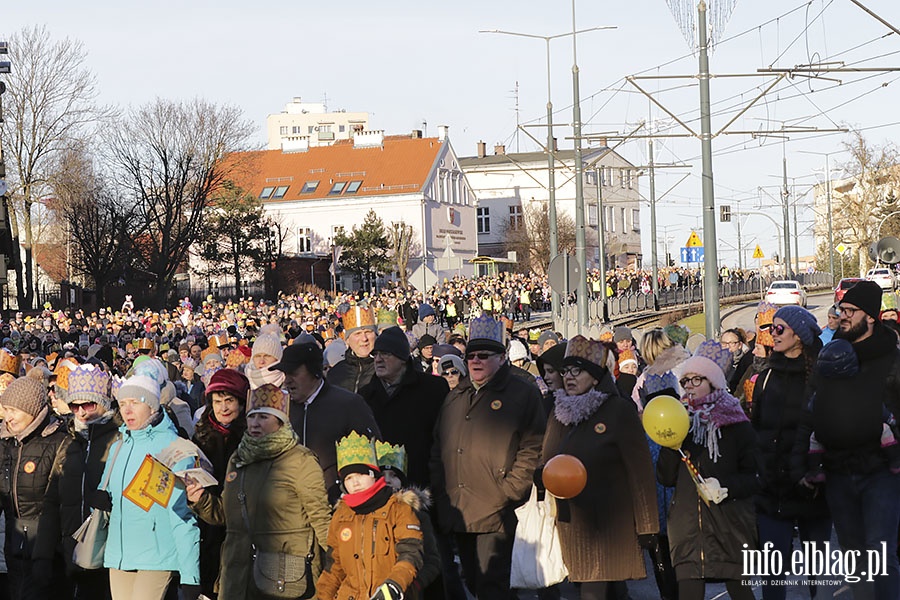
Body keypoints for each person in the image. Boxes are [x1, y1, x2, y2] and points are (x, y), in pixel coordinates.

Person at [430, 314, 546, 600]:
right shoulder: (456, 396)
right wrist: (441, 492)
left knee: (493, 587)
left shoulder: (522, 393)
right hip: (459, 508)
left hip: (497, 509)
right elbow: (437, 447)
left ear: (502, 357)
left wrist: (510, 489)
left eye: (484, 355)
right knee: (473, 581)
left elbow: (534, 446)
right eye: (470, 356)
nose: (475, 361)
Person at [187, 383, 333, 600]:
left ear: (280, 421)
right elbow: (228, 516)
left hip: (285, 575)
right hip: (237, 575)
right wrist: (201, 500)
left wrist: (335, 568)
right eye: (252, 417)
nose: (255, 423)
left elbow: (321, 519)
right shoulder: (239, 459)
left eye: (264, 417)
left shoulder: (300, 460)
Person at [801, 280, 900, 599]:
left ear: (869, 316)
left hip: (882, 470)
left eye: (849, 310)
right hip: (838, 470)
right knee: (854, 556)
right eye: (840, 309)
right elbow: (812, 406)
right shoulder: (831, 356)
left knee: (881, 553)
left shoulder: (892, 359)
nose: (841, 315)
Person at [541, 335, 659, 600]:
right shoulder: (559, 411)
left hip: (609, 523)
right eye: (566, 370)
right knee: (608, 591)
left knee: (594, 591)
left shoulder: (618, 410)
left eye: (578, 370)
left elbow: (639, 472)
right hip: (571, 520)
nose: (569, 377)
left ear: (595, 377)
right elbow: (546, 459)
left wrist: (647, 525)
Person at [657, 341, 760, 600]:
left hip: (729, 523)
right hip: (687, 526)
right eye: (686, 381)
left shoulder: (736, 423)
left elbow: (756, 475)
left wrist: (726, 486)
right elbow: (665, 478)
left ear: (713, 381)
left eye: (697, 379)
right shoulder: (679, 420)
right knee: (689, 591)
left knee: (739, 590)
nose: (690, 386)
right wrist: (672, 444)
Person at [750, 306, 832, 599]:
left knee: (818, 575)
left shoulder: (822, 376)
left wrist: (816, 472)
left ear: (799, 335)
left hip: (811, 487)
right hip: (772, 489)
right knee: (772, 576)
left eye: (779, 328)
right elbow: (756, 426)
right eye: (772, 328)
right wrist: (758, 470)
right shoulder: (767, 375)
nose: (773, 333)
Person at [102, 374, 201, 600]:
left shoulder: (173, 448)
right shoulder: (119, 445)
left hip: (158, 555)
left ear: (152, 406)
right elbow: (106, 495)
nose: (127, 411)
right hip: (120, 553)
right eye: (123, 404)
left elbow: (182, 517)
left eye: (135, 403)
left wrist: (190, 576)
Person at [270, 338, 381, 504]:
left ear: (314, 372)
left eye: (294, 373)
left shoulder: (348, 404)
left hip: (335, 505)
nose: (287, 380)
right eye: (286, 374)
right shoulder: (281, 408)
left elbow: (374, 452)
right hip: (290, 507)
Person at [316, 431, 425, 600]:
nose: (355, 482)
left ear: (374, 476)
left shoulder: (398, 509)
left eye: (361, 474)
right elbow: (334, 568)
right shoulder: (341, 515)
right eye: (349, 478)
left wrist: (392, 587)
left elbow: (410, 553)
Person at [0, 375, 70, 600]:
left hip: (48, 552)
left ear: (32, 409)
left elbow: (61, 502)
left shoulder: (59, 442)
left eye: (14, 410)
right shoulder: (5, 443)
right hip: (14, 548)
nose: (8, 417)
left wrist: (49, 552)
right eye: (5, 409)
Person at [59, 365, 121, 600]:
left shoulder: (119, 436)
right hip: (70, 536)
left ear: (103, 402)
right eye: (75, 406)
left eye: (89, 405)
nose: (82, 412)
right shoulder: (69, 438)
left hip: (106, 540)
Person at [360, 326, 449, 489]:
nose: (378, 359)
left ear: (402, 358)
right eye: (376, 354)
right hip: (381, 487)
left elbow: (445, 438)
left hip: (422, 485)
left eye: (386, 354)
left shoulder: (433, 389)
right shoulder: (365, 396)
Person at [191, 368, 249, 599]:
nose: (223, 408)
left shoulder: (249, 438)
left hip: (236, 527)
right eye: (217, 401)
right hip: (204, 527)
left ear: (241, 403)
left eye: (229, 401)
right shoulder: (201, 436)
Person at [327, 306, 377, 394]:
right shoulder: (335, 373)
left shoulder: (385, 371)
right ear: (347, 340)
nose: (364, 338)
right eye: (357, 334)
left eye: (368, 332)